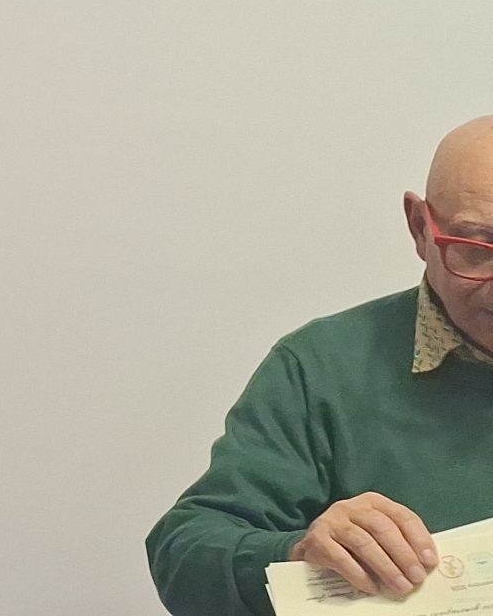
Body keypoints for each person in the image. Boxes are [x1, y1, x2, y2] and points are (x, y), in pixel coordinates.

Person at [148, 115, 493, 615]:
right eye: (478, 248)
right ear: (420, 228)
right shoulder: (322, 367)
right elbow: (184, 554)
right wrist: (296, 553)